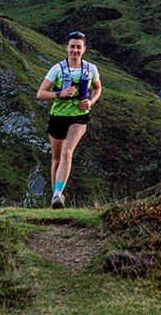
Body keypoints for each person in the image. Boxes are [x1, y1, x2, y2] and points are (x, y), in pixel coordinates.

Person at [35, 30, 102, 209]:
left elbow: (97, 88)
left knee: (67, 151)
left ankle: (57, 194)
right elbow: (40, 93)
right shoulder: (57, 69)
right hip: (58, 117)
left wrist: (90, 102)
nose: (75, 51)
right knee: (56, 159)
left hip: (79, 118)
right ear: (66, 48)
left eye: (78, 47)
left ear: (84, 49)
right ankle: (56, 196)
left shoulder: (91, 69)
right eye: (72, 47)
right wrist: (60, 93)